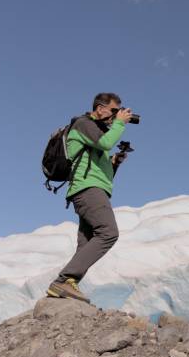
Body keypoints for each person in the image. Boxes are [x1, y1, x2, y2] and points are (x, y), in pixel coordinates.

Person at [46, 93, 133, 303]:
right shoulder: (84, 124)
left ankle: (66, 289)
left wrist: (114, 163)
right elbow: (105, 143)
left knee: (85, 244)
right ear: (100, 108)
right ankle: (64, 280)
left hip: (92, 188)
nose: (116, 115)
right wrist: (120, 124)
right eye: (114, 110)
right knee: (108, 233)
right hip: (87, 190)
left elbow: (102, 171)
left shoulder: (96, 133)